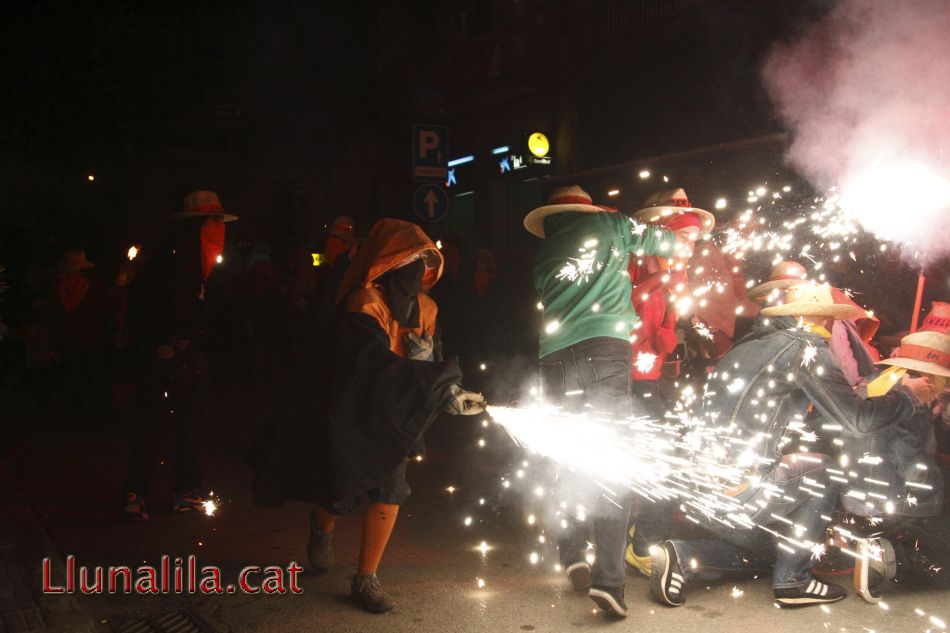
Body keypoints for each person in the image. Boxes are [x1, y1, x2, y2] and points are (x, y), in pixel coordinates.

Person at [649, 282, 935, 608]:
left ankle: (682, 555)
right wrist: (909, 396)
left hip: (697, 494)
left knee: (770, 549)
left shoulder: (750, 345)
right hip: (739, 491)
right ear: (821, 317)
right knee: (823, 470)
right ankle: (794, 580)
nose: (833, 327)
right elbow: (857, 422)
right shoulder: (807, 350)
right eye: (831, 320)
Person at [250, 218, 484, 614]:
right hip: (356, 408)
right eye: (407, 261)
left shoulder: (428, 307)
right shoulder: (363, 304)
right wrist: (422, 375)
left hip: (399, 414)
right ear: (386, 263)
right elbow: (365, 365)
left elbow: (435, 360)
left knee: (391, 489)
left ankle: (365, 578)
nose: (415, 272)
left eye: (422, 262)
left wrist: (447, 391)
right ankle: (322, 526)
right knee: (341, 488)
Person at [525, 185, 697, 617]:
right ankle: (608, 582)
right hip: (604, 350)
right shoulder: (612, 224)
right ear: (590, 208)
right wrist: (686, 240)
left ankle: (571, 556)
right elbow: (671, 245)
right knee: (610, 462)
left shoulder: (544, 256)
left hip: (554, 359)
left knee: (568, 459)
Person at [123, 190, 238, 520]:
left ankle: (185, 491)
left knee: (190, 426)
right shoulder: (169, 262)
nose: (219, 229)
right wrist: (166, 339)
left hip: (191, 357)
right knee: (157, 424)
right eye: (212, 221)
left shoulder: (206, 264)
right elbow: (146, 306)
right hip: (164, 357)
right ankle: (138, 491)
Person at [623, 190, 715, 577]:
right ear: (667, 233)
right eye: (687, 238)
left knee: (670, 452)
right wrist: (660, 280)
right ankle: (641, 544)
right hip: (629, 376)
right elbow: (622, 307)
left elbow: (670, 325)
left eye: (696, 240)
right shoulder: (638, 260)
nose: (694, 246)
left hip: (654, 376)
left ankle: (636, 531)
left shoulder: (676, 269)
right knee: (667, 458)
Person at [847, 329, 949, 602]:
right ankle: (888, 554)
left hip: (854, 495)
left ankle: (883, 547)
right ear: (931, 377)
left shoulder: (872, 383)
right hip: (893, 502)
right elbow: (911, 464)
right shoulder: (913, 399)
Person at [49, 250, 110, 429]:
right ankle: (96, 419)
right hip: (90, 339)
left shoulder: (57, 289)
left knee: (73, 382)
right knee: (91, 380)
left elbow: (53, 318)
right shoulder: (94, 288)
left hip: (68, 341)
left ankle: (77, 419)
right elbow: (104, 313)